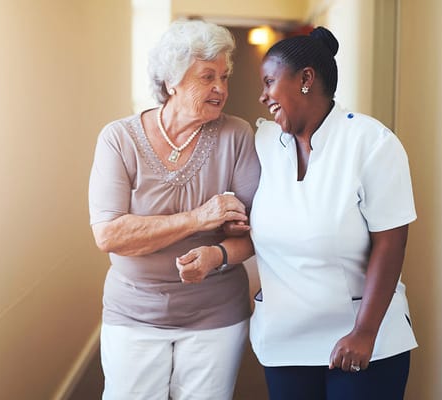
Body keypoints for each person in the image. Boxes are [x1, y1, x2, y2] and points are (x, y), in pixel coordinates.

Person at [88, 20, 260, 400]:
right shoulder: (119, 139)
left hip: (215, 316)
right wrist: (201, 218)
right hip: (133, 313)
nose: (221, 88)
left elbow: (252, 235)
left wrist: (215, 255)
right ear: (171, 82)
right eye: (207, 76)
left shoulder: (237, 135)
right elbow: (109, 234)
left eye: (224, 76)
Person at [250, 26, 416, 399]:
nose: (262, 96)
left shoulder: (372, 143)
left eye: (270, 82)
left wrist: (364, 332)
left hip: (361, 339)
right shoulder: (263, 143)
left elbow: (391, 243)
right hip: (284, 342)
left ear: (306, 78)